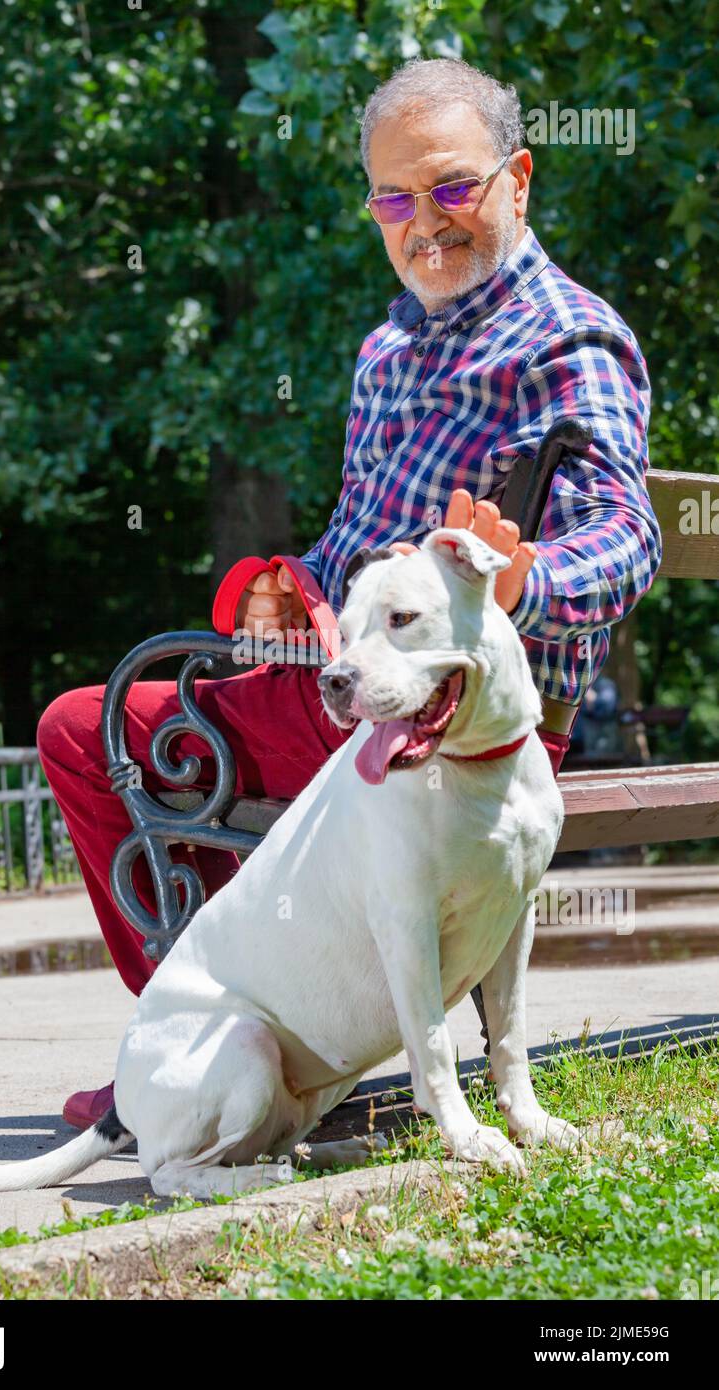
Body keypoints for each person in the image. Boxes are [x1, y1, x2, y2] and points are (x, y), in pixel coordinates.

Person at [37, 57, 661, 1130]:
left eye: (452, 187)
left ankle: (189, 1036)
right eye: (392, 197)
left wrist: (526, 578)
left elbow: (627, 532)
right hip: (353, 688)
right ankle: (207, 1039)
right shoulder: (387, 349)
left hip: (461, 727)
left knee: (82, 727)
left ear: (518, 180)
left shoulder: (566, 338)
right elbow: (347, 549)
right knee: (124, 720)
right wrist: (283, 589)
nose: (423, 222)